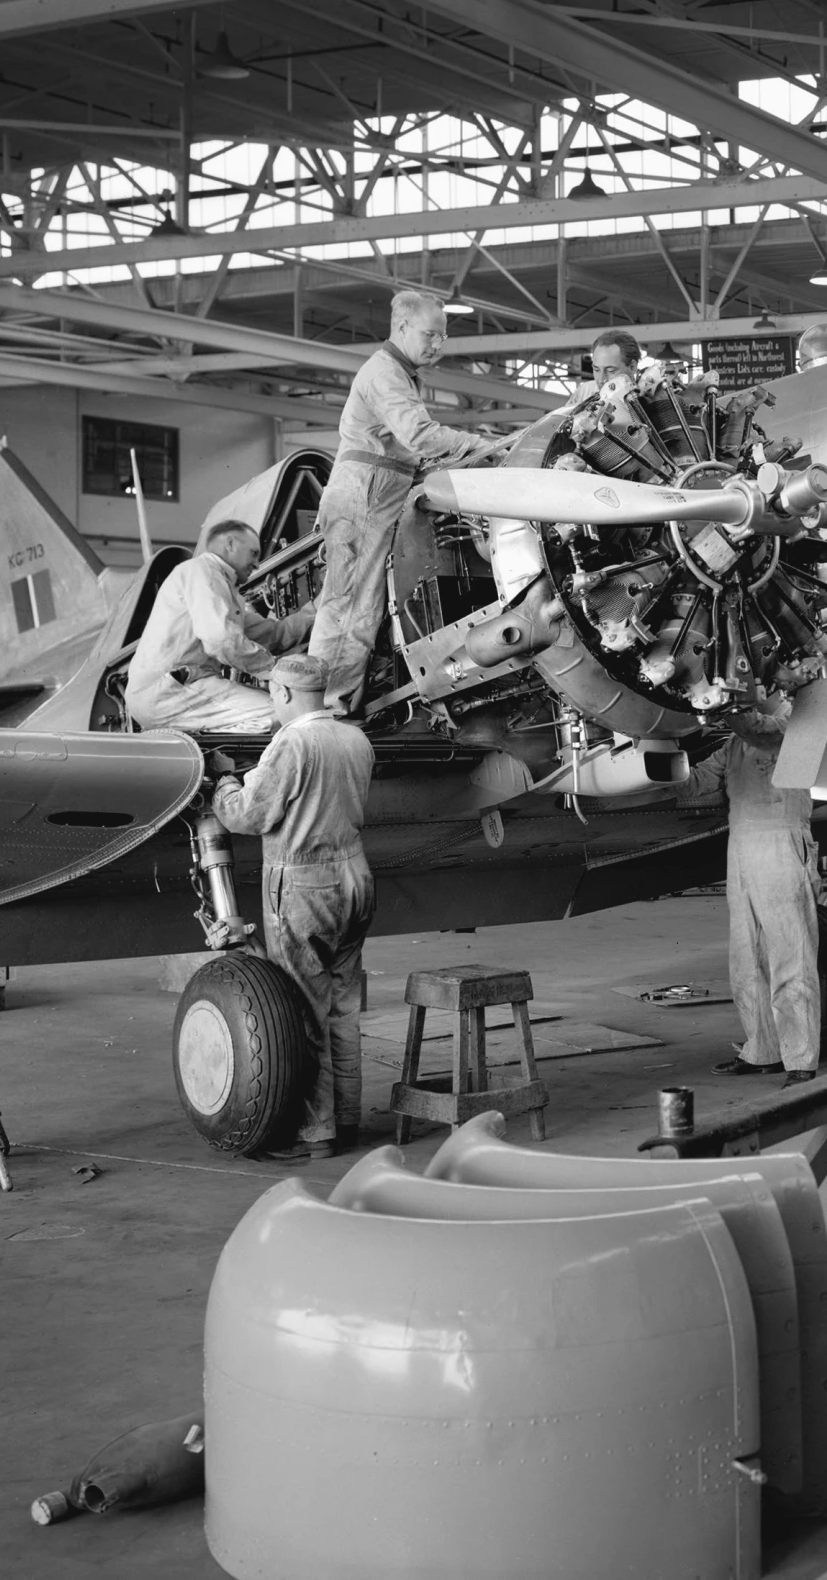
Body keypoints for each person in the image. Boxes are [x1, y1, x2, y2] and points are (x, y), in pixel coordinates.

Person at [208, 653, 376, 1162]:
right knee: (344, 1008)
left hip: (306, 886)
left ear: (280, 694)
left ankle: (316, 1132)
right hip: (356, 879)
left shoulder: (292, 742)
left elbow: (247, 815)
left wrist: (223, 780)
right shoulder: (356, 738)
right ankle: (346, 1121)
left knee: (305, 1011)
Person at [306, 290, 505, 712]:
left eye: (443, 337)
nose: (437, 344)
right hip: (365, 492)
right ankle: (325, 712)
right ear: (401, 327)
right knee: (351, 609)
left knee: (362, 606)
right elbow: (419, 435)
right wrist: (484, 447)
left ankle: (334, 706)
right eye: (430, 334)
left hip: (378, 491)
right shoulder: (385, 374)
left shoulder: (401, 374)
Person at [683, 699, 822, 1085]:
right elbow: (694, 783)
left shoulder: (797, 721)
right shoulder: (733, 745)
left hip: (781, 840)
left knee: (789, 954)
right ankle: (762, 1050)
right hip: (741, 846)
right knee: (747, 956)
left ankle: (801, 1059)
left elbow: (759, 729)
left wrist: (716, 699)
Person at [126, 520, 312, 733]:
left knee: (273, 710)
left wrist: (314, 612)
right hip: (172, 691)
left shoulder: (220, 591)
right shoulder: (202, 572)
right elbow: (221, 640)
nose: (257, 564)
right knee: (285, 712)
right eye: (253, 553)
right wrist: (277, 672)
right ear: (230, 544)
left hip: (170, 692)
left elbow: (274, 635)